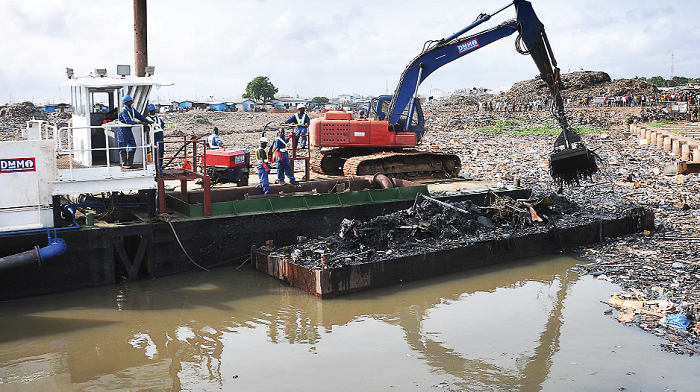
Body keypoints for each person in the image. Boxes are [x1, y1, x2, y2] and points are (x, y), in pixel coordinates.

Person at [118, 94, 151, 168]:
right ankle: (124, 163)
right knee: (123, 146)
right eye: (130, 100)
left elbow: (139, 116)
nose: (132, 101)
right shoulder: (124, 111)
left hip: (129, 130)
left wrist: (147, 121)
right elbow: (128, 121)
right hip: (122, 130)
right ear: (127, 102)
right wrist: (139, 123)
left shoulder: (132, 110)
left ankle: (130, 163)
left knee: (133, 145)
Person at [146, 104, 165, 174]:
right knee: (156, 154)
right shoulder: (147, 119)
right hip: (154, 137)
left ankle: (160, 168)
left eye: (153, 111)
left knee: (161, 154)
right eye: (151, 111)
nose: (153, 112)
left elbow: (162, 125)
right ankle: (157, 170)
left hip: (160, 137)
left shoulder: (158, 119)